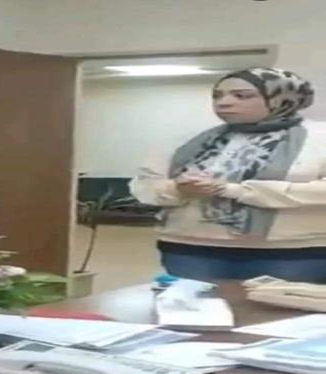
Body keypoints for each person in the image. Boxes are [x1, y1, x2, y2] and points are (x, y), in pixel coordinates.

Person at [130, 67, 326, 283]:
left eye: (241, 96)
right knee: (190, 305)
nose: (223, 103)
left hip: (292, 253)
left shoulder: (319, 137)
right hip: (190, 249)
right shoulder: (190, 139)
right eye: (217, 95)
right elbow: (145, 185)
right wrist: (178, 189)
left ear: (282, 98)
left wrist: (234, 190)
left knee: (281, 306)